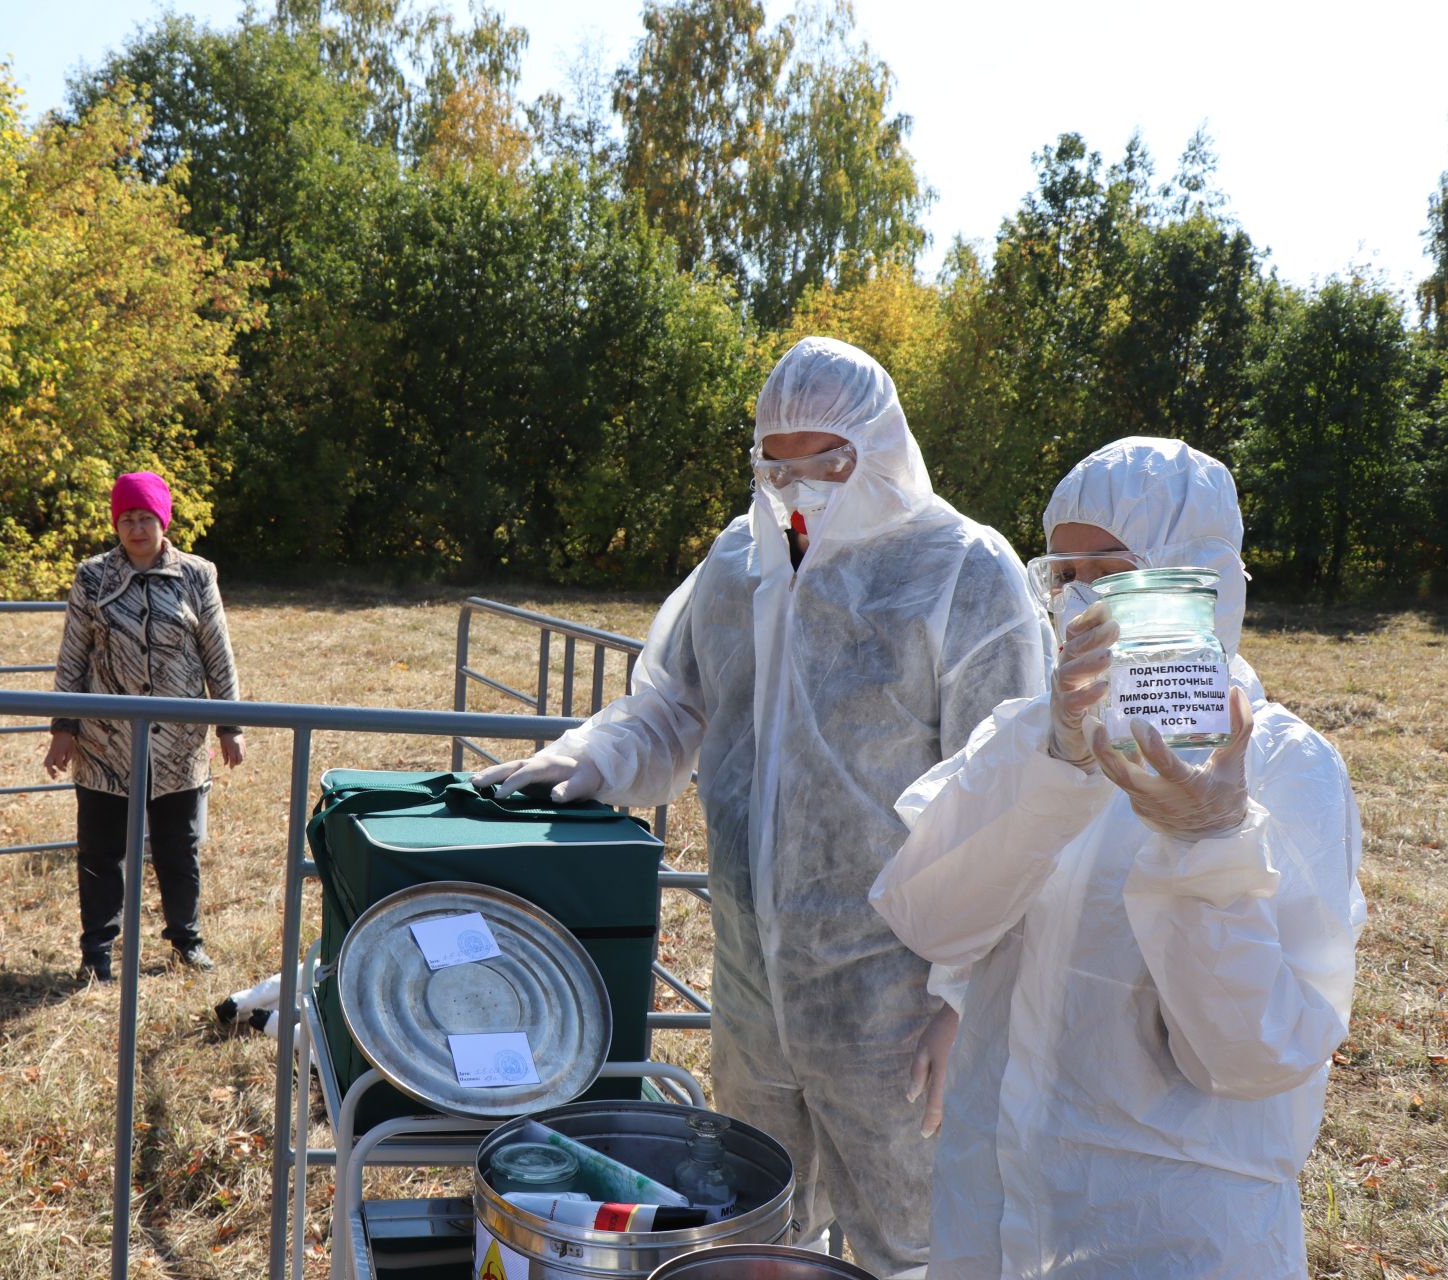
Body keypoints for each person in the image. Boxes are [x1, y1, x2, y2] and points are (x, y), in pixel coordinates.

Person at [475, 338, 1046, 1276]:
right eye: (775, 466)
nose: (798, 489)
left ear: (881, 446)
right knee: (756, 1224)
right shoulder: (740, 563)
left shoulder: (959, 572)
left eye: (826, 465)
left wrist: (961, 997)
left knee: (915, 1238)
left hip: (893, 997)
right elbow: (679, 701)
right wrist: (593, 756)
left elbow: (1003, 798)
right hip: (752, 983)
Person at [870, 437, 1364, 1278]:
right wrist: (1051, 768)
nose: (1083, 597)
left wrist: (1210, 849)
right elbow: (932, 920)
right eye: (1064, 574)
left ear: (1195, 579)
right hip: (992, 1215)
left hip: (1170, 1238)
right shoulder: (1028, 733)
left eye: (1113, 568)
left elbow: (1252, 1058)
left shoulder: (1283, 767)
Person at [44, 471, 244, 979]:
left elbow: (217, 652)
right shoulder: (93, 577)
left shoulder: (197, 575)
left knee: (179, 848)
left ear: (163, 520)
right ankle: (97, 953)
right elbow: (73, 655)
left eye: (145, 518)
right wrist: (63, 727)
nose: (135, 528)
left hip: (179, 743)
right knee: (101, 852)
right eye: (126, 519)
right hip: (105, 743)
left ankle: (186, 940)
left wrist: (230, 725)